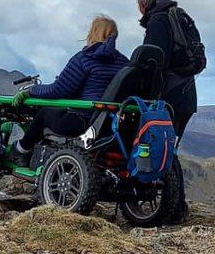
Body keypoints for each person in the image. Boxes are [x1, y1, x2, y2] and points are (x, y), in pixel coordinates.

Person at [11, 16, 128, 164]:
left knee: (44, 114)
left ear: (93, 33)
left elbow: (57, 91)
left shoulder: (84, 59)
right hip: (109, 126)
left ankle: (21, 150)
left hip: (81, 122)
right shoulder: (124, 63)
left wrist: (30, 91)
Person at [132, 0, 200, 140]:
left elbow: (154, 62)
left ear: (143, 4)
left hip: (168, 97)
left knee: (158, 146)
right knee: (169, 146)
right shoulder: (179, 18)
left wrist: (146, 94)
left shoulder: (158, 22)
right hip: (187, 94)